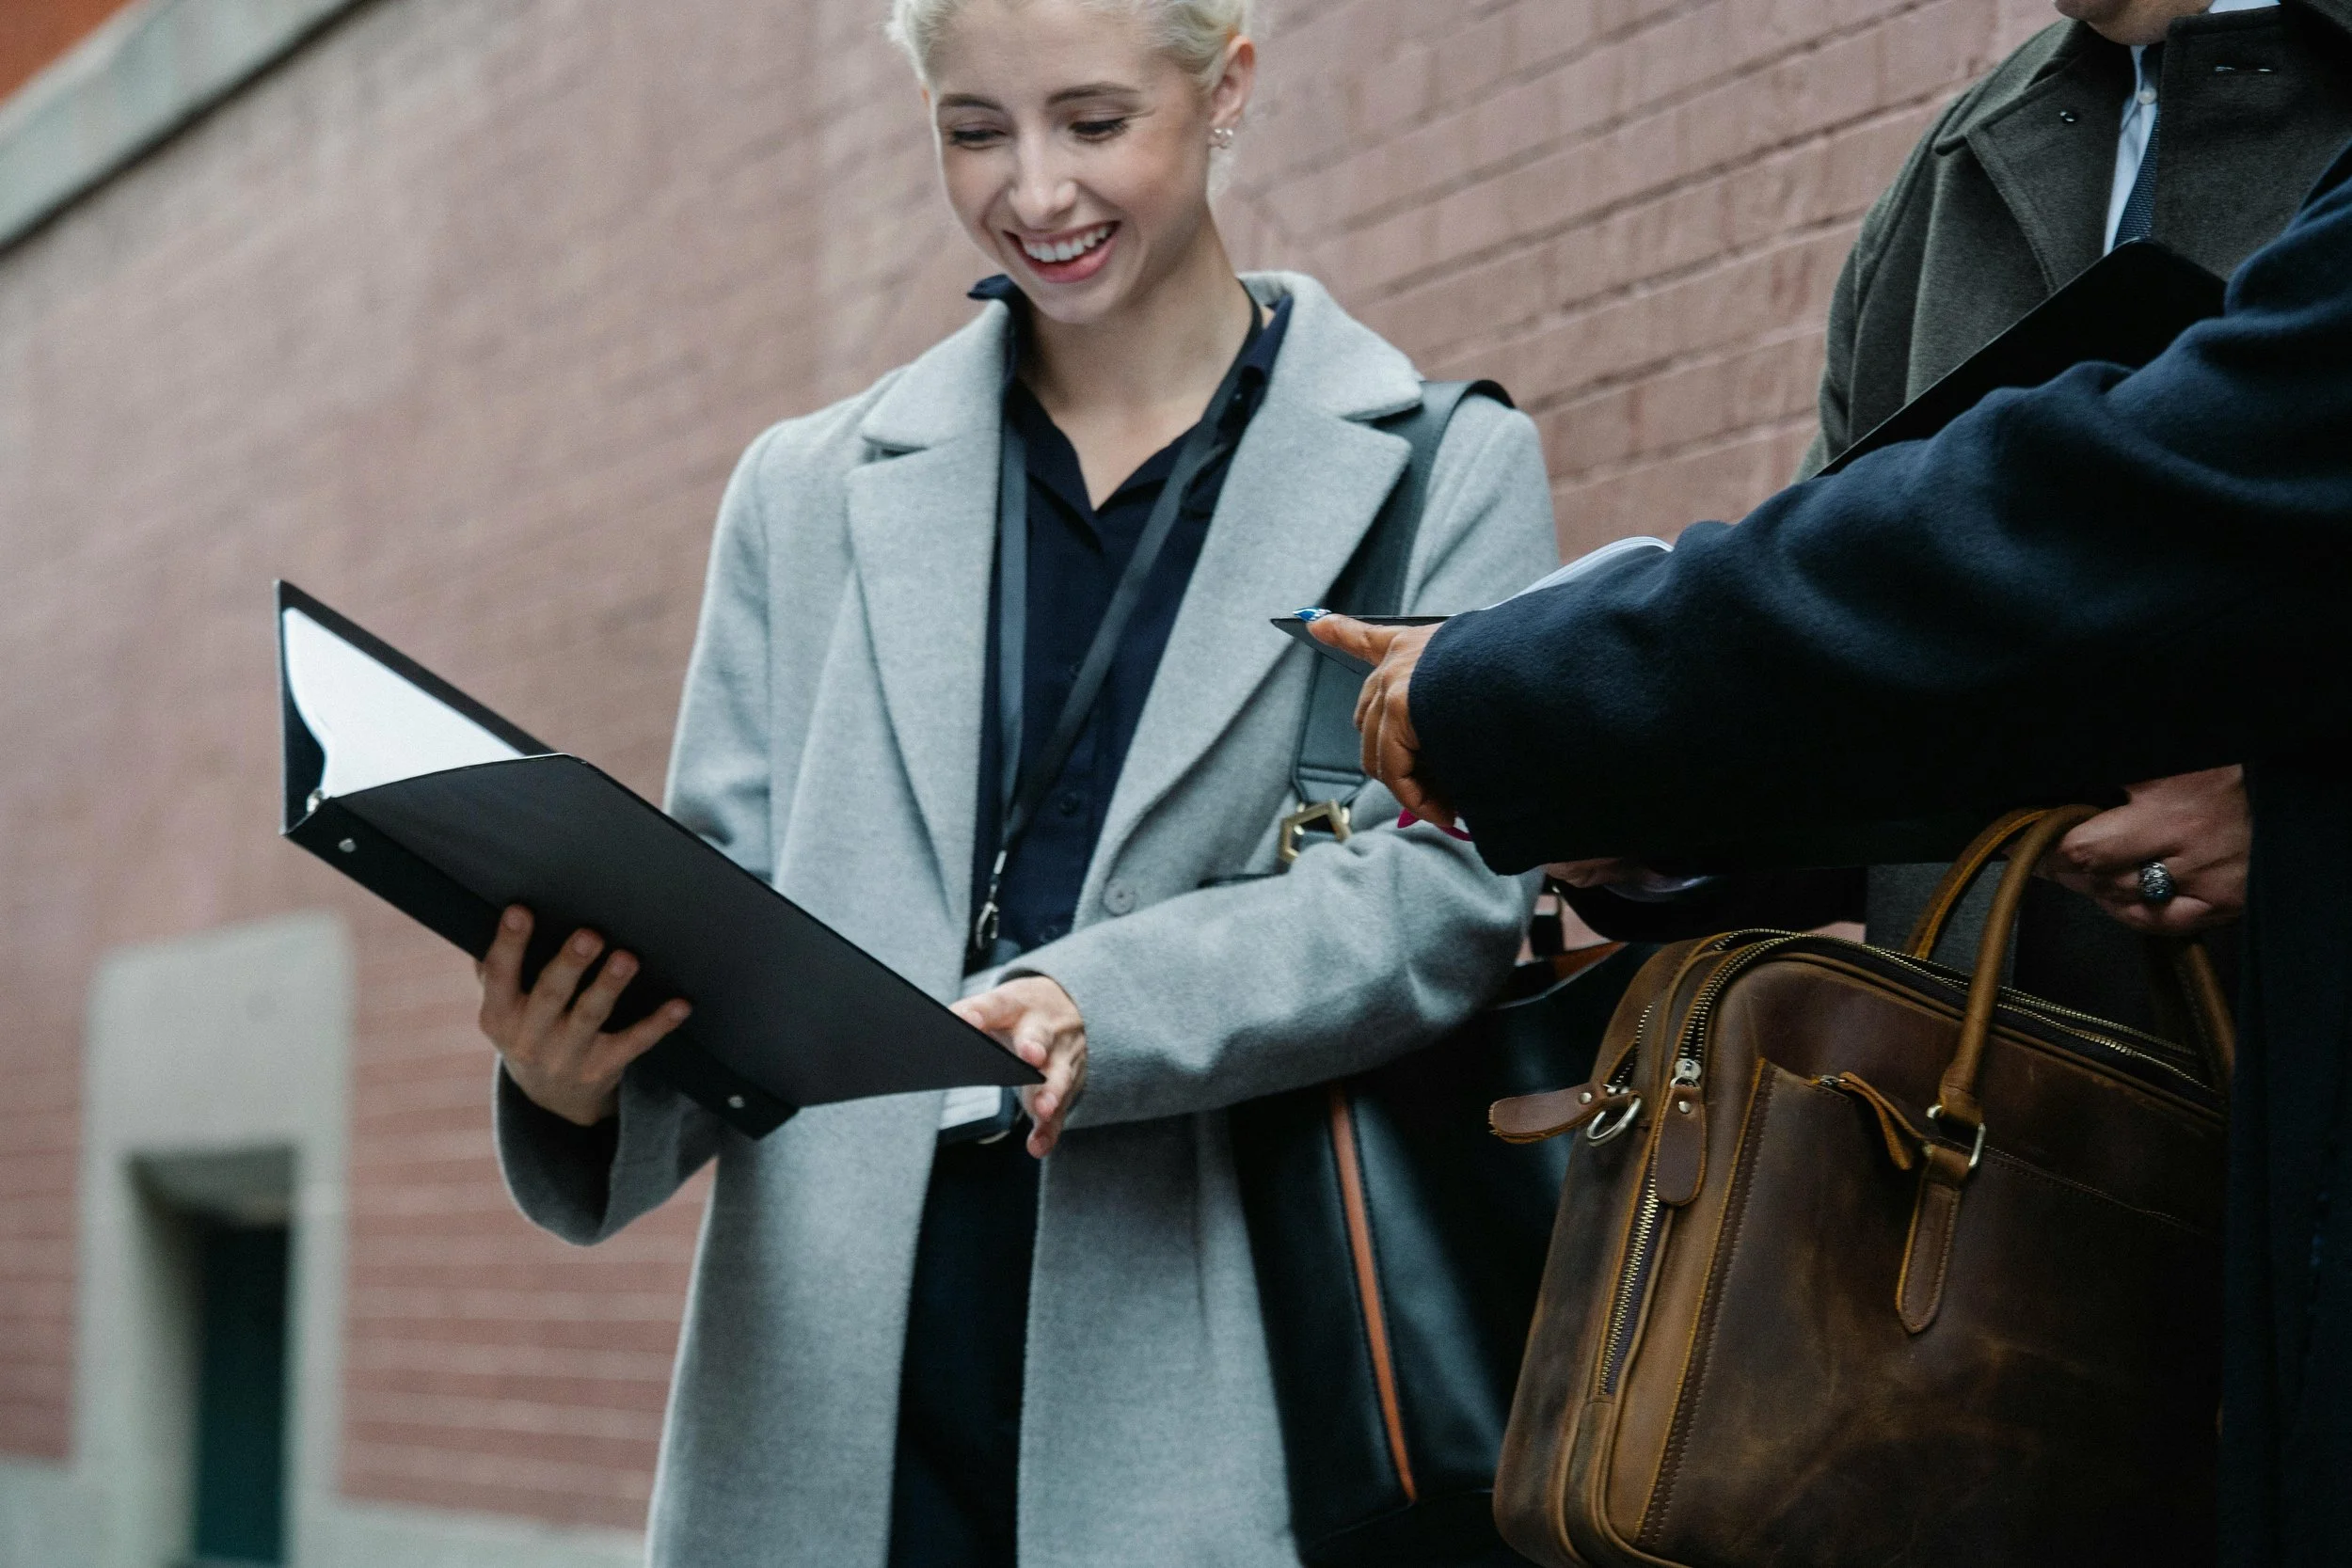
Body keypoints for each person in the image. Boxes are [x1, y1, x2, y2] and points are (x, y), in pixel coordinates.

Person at [469, 2, 1557, 1563]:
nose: (1034, 192)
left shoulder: (1435, 468)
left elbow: (1440, 893)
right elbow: (728, 914)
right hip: (832, 1373)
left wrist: (1104, 999)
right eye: (974, 129)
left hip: (1208, 1354)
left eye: (1095, 123)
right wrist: (578, 1080)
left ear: (1227, 87)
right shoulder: (806, 494)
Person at [1311, 140, 2352, 1566]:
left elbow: (2084, 516)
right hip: (1932, 1281)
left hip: (2244, 1225)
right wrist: (1663, 807)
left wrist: (2290, 799)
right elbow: (1875, 650)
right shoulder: (1974, 157)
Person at [1559, 0, 2352, 1018]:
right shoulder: (1957, 165)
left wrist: (2306, 810)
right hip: (1982, 1130)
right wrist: (1648, 792)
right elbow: (1853, 649)